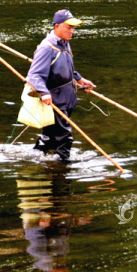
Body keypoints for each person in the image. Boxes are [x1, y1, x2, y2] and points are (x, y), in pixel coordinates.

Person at [26, 9, 95, 161]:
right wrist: (44, 93)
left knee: (50, 135)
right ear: (57, 26)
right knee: (64, 137)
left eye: (73, 27)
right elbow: (34, 75)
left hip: (67, 98)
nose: (72, 31)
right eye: (68, 27)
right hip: (55, 101)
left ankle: (35, 158)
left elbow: (62, 68)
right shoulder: (46, 47)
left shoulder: (65, 43)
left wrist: (80, 79)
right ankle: (62, 170)